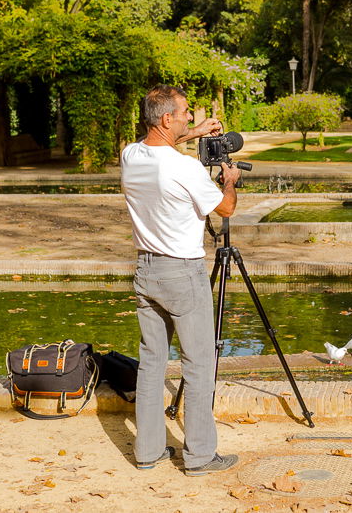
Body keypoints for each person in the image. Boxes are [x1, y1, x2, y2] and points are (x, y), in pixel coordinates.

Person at [121, 84, 241, 476]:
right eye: (186, 113)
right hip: (183, 273)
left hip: (146, 271)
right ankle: (201, 457)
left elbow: (158, 145)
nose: (190, 116)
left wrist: (195, 132)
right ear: (167, 118)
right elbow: (225, 208)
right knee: (199, 365)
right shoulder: (185, 168)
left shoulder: (131, 155)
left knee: (152, 364)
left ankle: (148, 452)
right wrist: (229, 180)